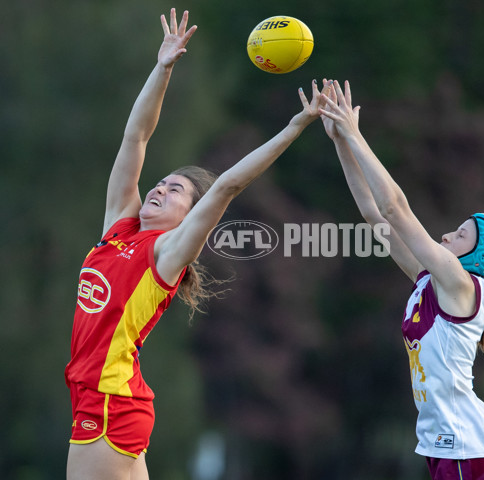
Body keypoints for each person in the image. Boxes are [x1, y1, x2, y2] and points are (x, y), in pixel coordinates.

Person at [64, 8, 329, 479]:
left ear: (189, 219)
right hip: (105, 400)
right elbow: (136, 137)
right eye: (162, 182)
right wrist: (162, 67)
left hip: (108, 404)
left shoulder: (165, 253)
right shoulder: (119, 229)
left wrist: (293, 127)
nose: (160, 188)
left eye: (176, 191)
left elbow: (226, 186)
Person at [319, 79, 484, 479]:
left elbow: (395, 206)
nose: (446, 236)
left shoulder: (465, 286)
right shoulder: (432, 284)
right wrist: (341, 141)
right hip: (451, 446)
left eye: (460, 235)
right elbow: (376, 215)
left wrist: (356, 134)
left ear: (480, 256)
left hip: (467, 448)